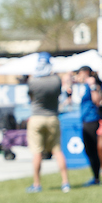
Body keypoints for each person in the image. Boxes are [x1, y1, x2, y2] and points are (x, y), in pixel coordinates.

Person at [25, 53, 71, 193]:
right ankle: (65, 182)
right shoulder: (56, 80)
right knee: (57, 150)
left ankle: (37, 184)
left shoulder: (33, 81)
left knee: (37, 152)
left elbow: (30, 98)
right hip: (52, 118)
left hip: (36, 118)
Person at [74, 66, 102, 187]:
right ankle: (96, 176)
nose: (79, 77)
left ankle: (97, 177)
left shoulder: (92, 85)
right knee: (89, 150)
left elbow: (96, 100)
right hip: (86, 120)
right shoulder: (84, 86)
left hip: (92, 120)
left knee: (92, 150)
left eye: (80, 74)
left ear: (85, 73)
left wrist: (92, 87)